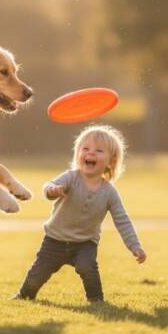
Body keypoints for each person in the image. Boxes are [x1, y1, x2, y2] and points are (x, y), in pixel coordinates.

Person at [12, 125, 146, 302]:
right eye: (85, 149)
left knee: (87, 267)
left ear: (111, 162)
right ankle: (25, 295)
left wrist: (134, 246)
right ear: (78, 154)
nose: (91, 153)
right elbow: (48, 186)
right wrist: (52, 191)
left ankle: (96, 300)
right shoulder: (70, 178)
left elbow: (122, 221)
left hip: (85, 243)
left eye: (99, 150)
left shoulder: (109, 193)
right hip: (55, 240)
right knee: (38, 272)